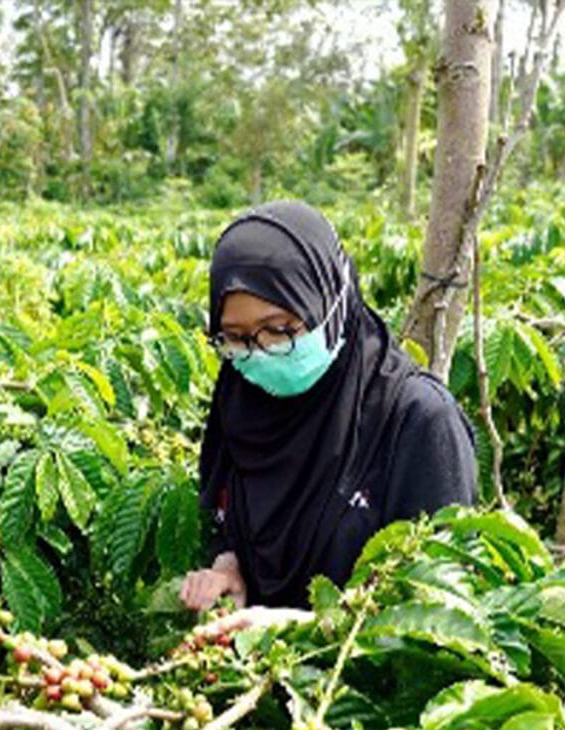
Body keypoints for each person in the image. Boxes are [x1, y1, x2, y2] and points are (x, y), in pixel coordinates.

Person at [180, 200, 477, 627]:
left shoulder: (418, 421)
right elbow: (226, 516)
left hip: (368, 688)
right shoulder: (240, 400)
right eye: (237, 338)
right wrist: (229, 568)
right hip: (248, 681)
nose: (260, 353)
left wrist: (299, 628)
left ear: (332, 305)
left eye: (281, 330)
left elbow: (444, 613)